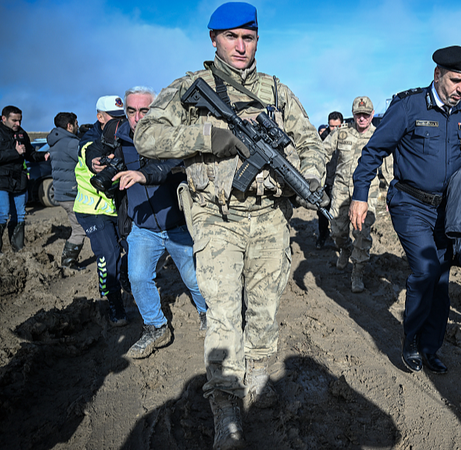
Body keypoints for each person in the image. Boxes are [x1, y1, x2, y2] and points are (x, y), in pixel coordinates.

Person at [134, 3, 326, 448]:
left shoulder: (276, 91)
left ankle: (257, 374)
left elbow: (309, 141)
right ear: (214, 39)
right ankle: (225, 406)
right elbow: (148, 137)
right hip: (216, 217)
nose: (241, 46)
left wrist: (310, 177)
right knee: (222, 314)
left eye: (249, 37)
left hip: (269, 218)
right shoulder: (190, 87)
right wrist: (210, 137)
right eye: (231, 36)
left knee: (264, 308)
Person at [350, 45, 461, 375]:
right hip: (410, 204)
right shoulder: (409, 107)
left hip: (448, 210)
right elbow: (373, 152)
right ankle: (410, 339)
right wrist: (360, 194)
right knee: (426, 270)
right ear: (437, 74)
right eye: (456, 81)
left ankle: (430, 347)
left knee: (440, 280)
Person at [110, 86, 208, 359]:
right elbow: (99, 144)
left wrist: (143, 175)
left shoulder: (171, 136)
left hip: (176, 224)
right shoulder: (119, 138)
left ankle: (208, 314)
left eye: (144, 110)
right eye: (132, 111)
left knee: (194, 278)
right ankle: (156, 327)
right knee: (138, 277)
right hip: (142, 226)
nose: (138, 117)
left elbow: (168, 166)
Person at [75, 95, 130, 327]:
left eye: (121, 117)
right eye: (113, 118)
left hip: (116, 208)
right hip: (92, 209)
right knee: (108, 254)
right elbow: (90, 153)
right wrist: (96, 162)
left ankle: (121, 280)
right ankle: (115, 305)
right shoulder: (91, 138)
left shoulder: (125, 133)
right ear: (100, 117)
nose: (119, 122)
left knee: (131, 248)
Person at [325, 96, 383, 292]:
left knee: (362, 234)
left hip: (367, 193)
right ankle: (344, 248)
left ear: (372, 115)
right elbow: (323, 151)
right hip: (341, 190)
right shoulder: (341, 134)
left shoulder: (380, 136)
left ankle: (357, 273)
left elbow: (390, 166)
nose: (362, 119)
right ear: (353, 115)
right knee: (336, 230)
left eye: (366, 115)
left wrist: (392, 190)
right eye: (359, 115)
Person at [0, 106, 49, 254]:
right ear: (4, 118)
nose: (18, 124)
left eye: (20, 120)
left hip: (19, 179)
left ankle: (18, 249)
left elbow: (30, 154)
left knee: (19, 214)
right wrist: (14, 152)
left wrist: (42, 156)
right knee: (2, 214)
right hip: (0, 179)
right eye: (14, 120)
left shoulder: (21, 134)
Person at [47, 112, 87, 268]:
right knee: (79, 229)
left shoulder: (56, 141)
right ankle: (68, 263)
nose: (78, 126)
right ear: (70, 126)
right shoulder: (70, 143)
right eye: (76, 123)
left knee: (79, 226)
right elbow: (86, 159)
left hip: (63, 193)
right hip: (71, 193)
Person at [316, 110, 344, 249]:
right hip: (325, 182)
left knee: (338, 213)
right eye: (331, 126)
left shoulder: (346, 138)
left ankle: (338, 239)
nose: (334, 130)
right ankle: (322, 235)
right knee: (322, 212)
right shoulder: (323, 139)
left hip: (340, 182)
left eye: (337, 126)